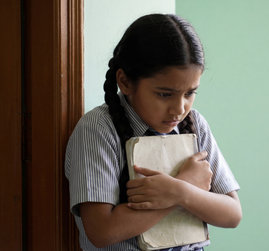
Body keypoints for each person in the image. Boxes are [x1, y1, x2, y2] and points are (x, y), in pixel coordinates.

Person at [64, 14, 242, 251]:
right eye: (164, 94)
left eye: (190, 93)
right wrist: (182, 186)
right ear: (125, 82)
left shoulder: (195, 124)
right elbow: (102, 231)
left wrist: (180, 192)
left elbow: (232, 214)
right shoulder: (98, 129)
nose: (179, 109)